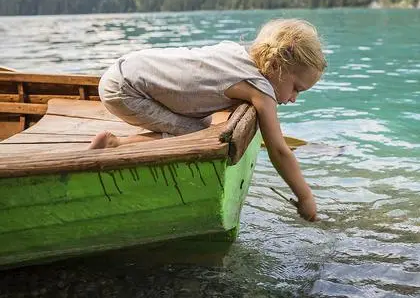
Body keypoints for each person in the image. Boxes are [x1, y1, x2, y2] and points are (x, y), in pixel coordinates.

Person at [88, 18, 327, 222]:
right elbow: (279, 150)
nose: (294, 98)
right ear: (276, 66)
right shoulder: (261, 89)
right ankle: (115, 146)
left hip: (125, 69)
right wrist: (305, 197)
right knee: (197, 134)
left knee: (202, 122)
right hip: (126, 91)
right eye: (297, 88)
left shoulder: (238, 53)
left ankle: (118, 144)